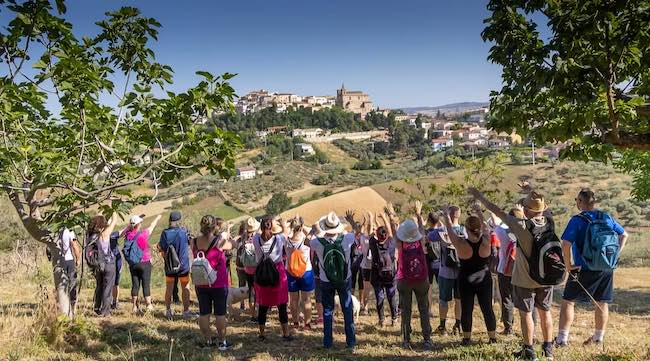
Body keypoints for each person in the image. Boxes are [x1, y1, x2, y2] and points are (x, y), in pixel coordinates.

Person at [471, 189, 556, 360]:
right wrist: (530, 192)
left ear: (525, 210)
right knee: (545, 312)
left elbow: (497, 211)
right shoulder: (550, 222)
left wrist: (480, 197)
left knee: (525, 313)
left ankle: (529, 349)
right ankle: (548, 349)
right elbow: (541, 209)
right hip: (546, 276)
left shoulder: (520, 226)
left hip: (525, 277)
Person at [557, 189, 628, 347]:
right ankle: (598, 338)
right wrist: (614, 256)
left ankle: (562, 340)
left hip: (583, 267)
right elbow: (624, 235)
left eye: (577, 199)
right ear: (594, 202)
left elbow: (566, 244)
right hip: (606, 268)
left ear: (581, 202)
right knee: (602, 302)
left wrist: (568, 265)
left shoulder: (577, 220)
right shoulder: (606, 217)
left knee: (568, 301)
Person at [442, 205, 497, 346]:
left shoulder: (460, 243)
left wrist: (446, 215)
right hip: (484, 279)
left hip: (466, 280)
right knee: (487, 309)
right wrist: (479, 211)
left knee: (467, 309)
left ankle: (466, 338)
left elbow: (449, 229)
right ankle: (492, 338)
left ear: (466, 229)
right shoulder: (486, 241)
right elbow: (486, 227)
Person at [309, 211, 356, 349]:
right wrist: (351, 221)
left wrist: (317, 229)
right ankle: (351, 342)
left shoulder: (317, 242)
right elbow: (356, 231)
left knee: (327, 311)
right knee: (347, 309)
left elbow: (308, 240)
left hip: (326, 280)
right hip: (344, 279)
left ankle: (328, 343)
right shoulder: (347, 239)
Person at [393, 208, 433, 350]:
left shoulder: (400, 242)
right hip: (422, 278)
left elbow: (395, 233)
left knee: (406, 310)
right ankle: (427, 338)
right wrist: (418, 214)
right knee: (424, 308)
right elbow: (422, 229)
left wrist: (393, 218)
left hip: (404, 279)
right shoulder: (421, 239)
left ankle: (406, 339)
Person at [192, 215, 233, 350]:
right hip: (219, 283)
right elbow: (232, 245)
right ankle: (222, 342)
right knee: (220, 313)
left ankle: (208, 341)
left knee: (204, 313)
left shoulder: (194, 241)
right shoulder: (219, 241)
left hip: (201, 282)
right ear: (215, 226)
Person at [253, 217, 292, 341]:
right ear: (272, 227)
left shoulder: (255, 239)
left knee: (263, 305)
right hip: (277, 273)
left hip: (261, 273)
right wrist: (282, 224)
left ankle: (262, 334)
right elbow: (286, 233)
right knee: (281, 305)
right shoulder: (279, 239)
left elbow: (258, 234)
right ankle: (285, 333)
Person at [492, 208, 526, 335]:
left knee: (506, 299)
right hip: (521, 272)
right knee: (524, 300)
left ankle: (508, 328)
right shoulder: (526, 233)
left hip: (504, 270)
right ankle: (528, 328)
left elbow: (495, 223)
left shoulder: (502, 232)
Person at [159, 211, 196, 320]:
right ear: (179, 220)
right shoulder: (183, 232)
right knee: (185, 288)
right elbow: (191, 243)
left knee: (169, 288)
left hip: (170, 266)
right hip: (183, 266)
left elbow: (161, 248)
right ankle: (186, 311)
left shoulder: (164, 233)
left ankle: (168, 311)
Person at [435, 205, 464, 336]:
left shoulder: (442, 230)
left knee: (443, 300)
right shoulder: (465, 230)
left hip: (445, 271)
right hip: (461, 271)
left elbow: (428, 236)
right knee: (459, 299)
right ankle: (458, 326)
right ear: (459, 215)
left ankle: (442, 326)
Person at [123, 214, 161, 314]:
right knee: (146, 284)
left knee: (135, 285)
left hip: (133, 264)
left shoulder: (127, 235)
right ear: (139, 224)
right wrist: (157, 218)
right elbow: (152, 226)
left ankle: (134, 307)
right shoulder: (143, 234)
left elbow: (128, 228)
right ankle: (148, 305)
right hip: (144, 262)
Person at [285, 216, 316, 331]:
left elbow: (284, 229)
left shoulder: (286, 240)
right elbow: (315, 229)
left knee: (293, 299)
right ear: (302, 226)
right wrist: (304, 228)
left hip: (290, 272)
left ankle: (295, 322)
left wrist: (289, 225)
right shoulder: (307, 240)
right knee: (306, 299)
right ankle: (307, 324)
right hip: (306, 272)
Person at [369, 214, 398, 328]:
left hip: (377, 275)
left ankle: (381, 320)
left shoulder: (373, 243)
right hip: (390, 275)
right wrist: (385, 219)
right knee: (392, 296)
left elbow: (371, 234)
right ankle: (394, 318)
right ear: (386, 235)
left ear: (377, 235)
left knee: (380, 297)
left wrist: (372, 222)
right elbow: (390, 232)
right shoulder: (391, 243)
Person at [88, 215, 119, 317]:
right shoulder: (105, 234)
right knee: (107, 288)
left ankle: (96, 308)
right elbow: (114, 220)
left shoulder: (92, 236)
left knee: (99, 287)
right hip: (108, 264)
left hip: (97, 265)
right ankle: (105, 311)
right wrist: (114, 209)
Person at [52, 228, 81, 316]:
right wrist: (78, 259)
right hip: (68, 260)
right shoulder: (70, 231)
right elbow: (74, 245)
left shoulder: (54, 230)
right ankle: (72, 308)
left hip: (57, 260)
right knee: (72, 284)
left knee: (60, 285)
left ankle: (60, 307)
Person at [235, 217, 260, 320]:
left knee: (243, 286)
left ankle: (242, 305)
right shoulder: (257, 238)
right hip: (255, 268)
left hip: (241, 266)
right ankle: (256, 310)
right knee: (256, 289)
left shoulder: (241, 239)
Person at [345, 211, 368, 315]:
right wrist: (352, 222)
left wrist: (352, 221)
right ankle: (352, 302)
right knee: (353, 283)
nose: (358, 229)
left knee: (361, 283)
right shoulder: (351, 236)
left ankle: (361, 303)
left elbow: (359, 230)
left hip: (361, 262)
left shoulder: (363, 237)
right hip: (354, 262)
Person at [109, 231, 122, 310]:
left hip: (116, 262)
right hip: (108, 262)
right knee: (109, 283)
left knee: (116, 283)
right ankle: (108, 301)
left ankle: (115, 302)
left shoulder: (113, 234)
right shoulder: (99, 236)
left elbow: (125, 229)